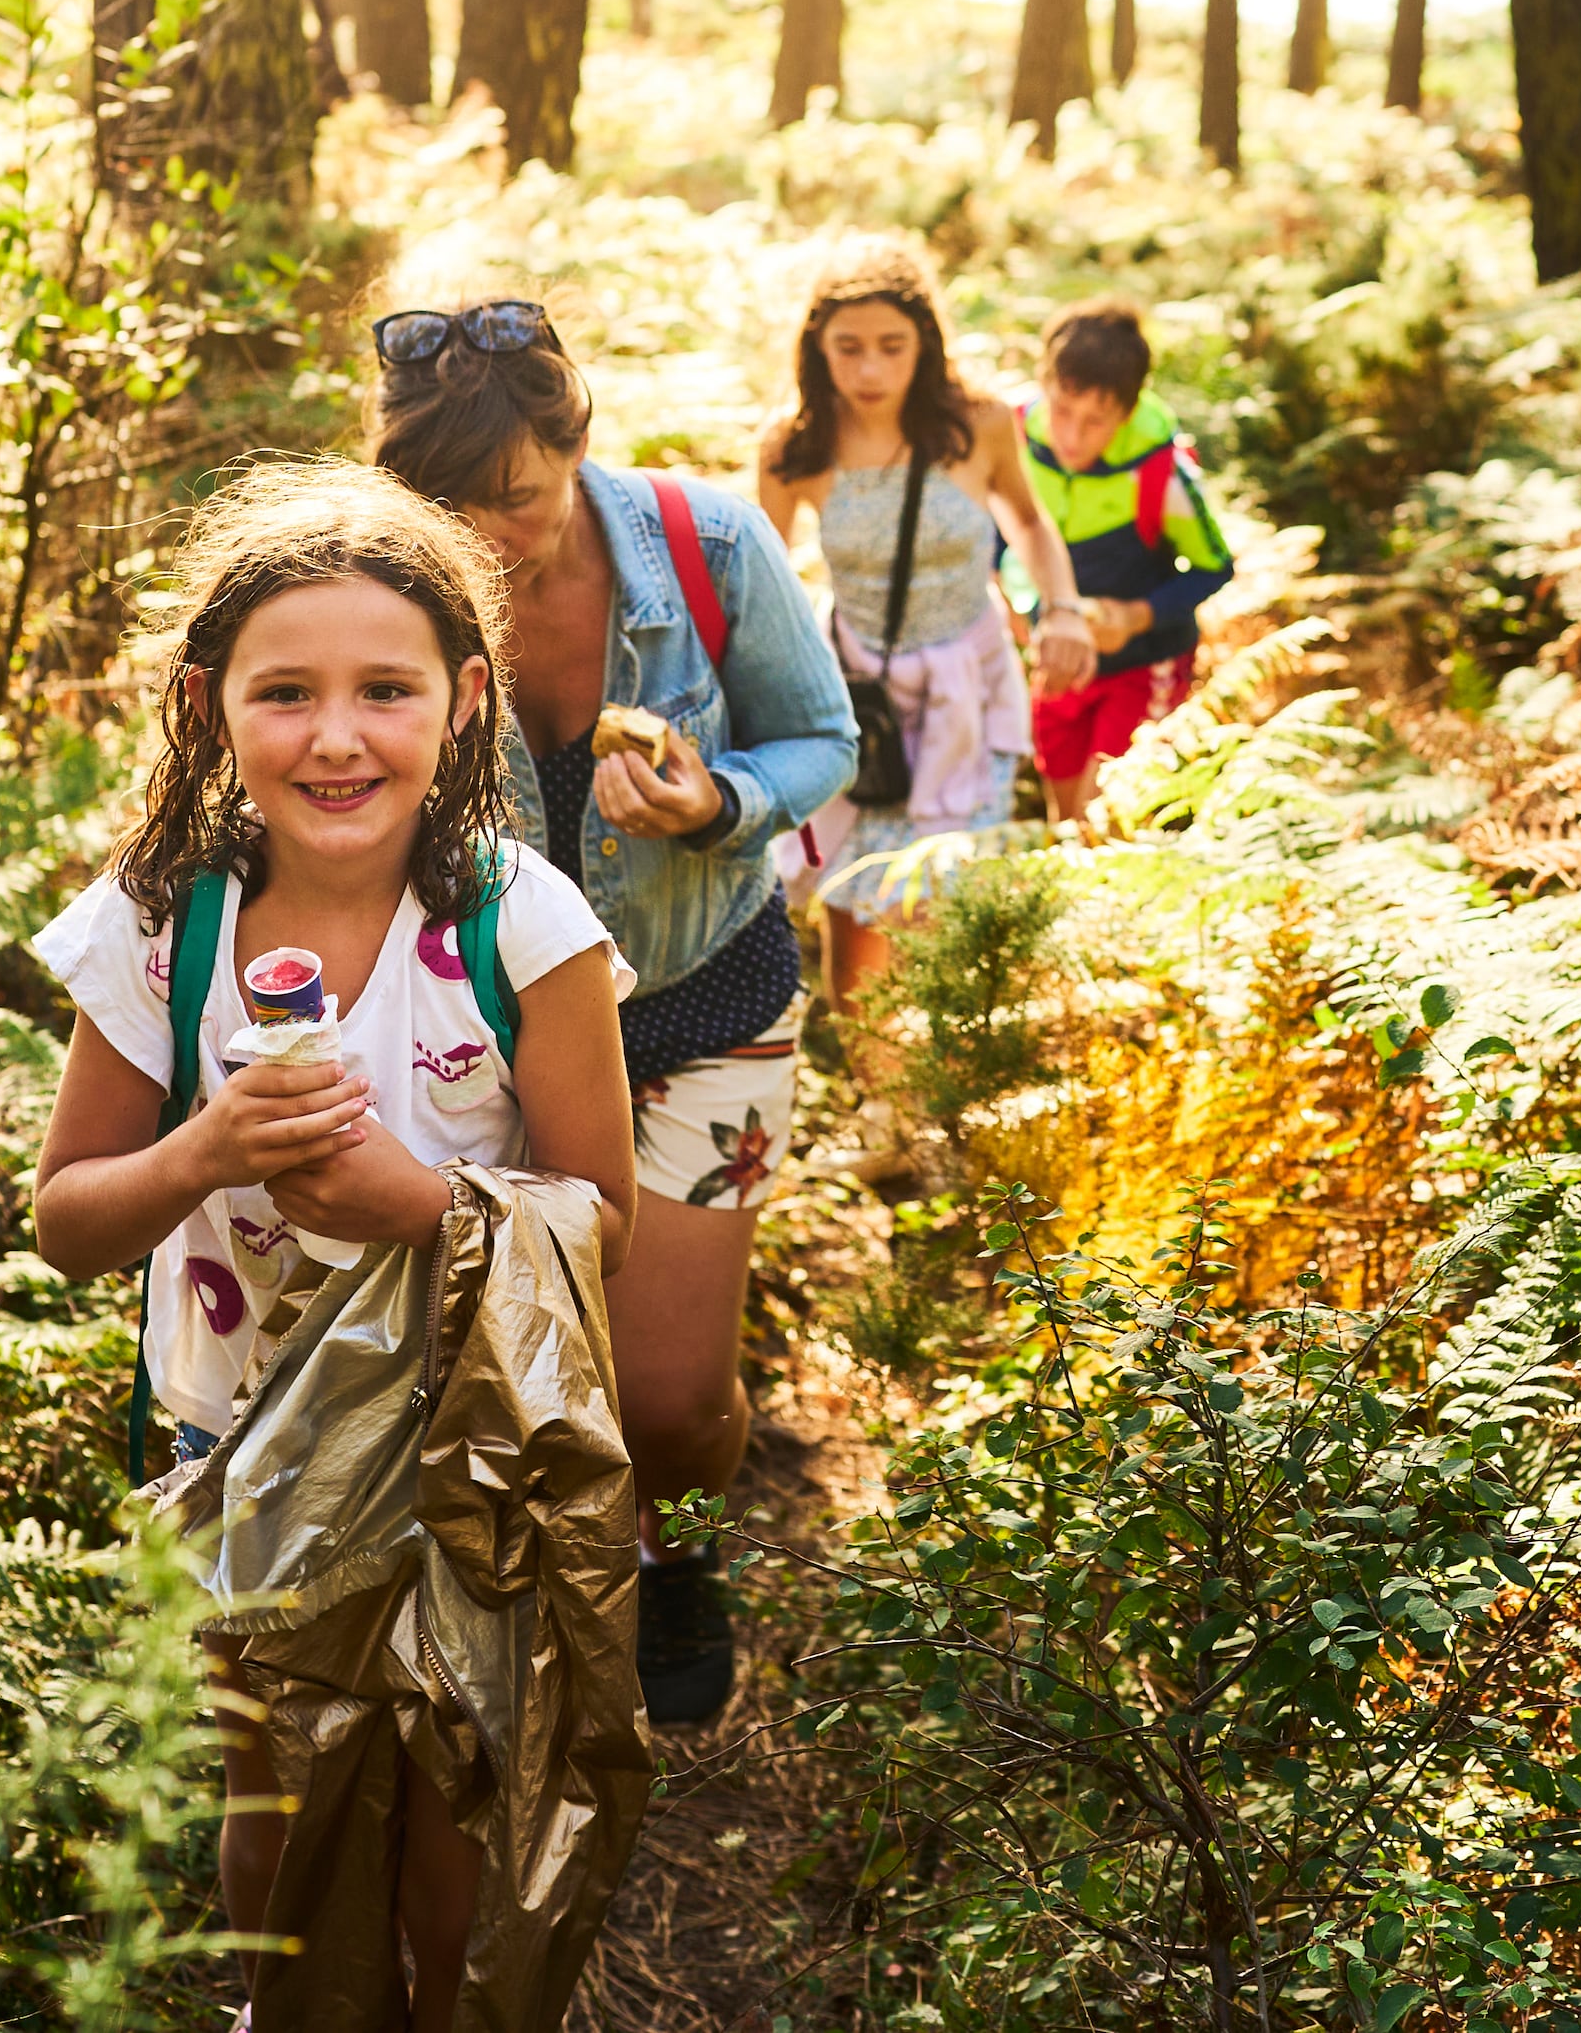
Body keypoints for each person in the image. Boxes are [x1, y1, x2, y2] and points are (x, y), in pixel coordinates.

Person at [22, 462, 639, 2015]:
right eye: (285, 692)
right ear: (207, 700)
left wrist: (417, 1205)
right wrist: (203, 1151)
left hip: (465, 1440)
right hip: (236, 1431)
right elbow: (65, 1221)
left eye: (387, 688)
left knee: (444, 1802)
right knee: (273, 1793)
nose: (338, 736)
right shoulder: (170, 926)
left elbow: (602, 1221)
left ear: (466, 696)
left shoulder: (525, 926)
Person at [364, 294, 855, 1730]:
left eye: (510, 498)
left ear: (577, 446)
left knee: (674, 1396)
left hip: (709, 1000)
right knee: (518, 1352)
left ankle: (681, 1542)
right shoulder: (391, 582)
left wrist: (721, 801)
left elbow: (822, 735)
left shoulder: (707, 546)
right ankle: (538, 1578)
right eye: (442, 506)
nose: (483, 539)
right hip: (506, 1028)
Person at [750, 238, 1096, 961]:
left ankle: (939, 1063)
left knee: (945, 902)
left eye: (890, 346)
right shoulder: (794, 445)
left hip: (967, 686)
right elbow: (762, 578)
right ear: (817, 346)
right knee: (858, 905)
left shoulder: (981, 423)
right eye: (848, 347)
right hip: (856, 696)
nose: (870, 368)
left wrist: (1062, 608)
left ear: (926, 343)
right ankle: (873, 1071)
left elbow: (1028, 521)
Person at [1017, 298, 1239, 822]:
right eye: (1062, 411)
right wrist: (1028, 615)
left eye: (1095, 422)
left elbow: (1216, 567)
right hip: (1060, 662)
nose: (1072, 436)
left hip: (1145, 664)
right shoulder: (1016, 441)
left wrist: (1134, 617)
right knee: (1064, 813)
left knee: (1109, 817)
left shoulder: (1161, 473)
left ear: (1129, 411)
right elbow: (1000, 544)